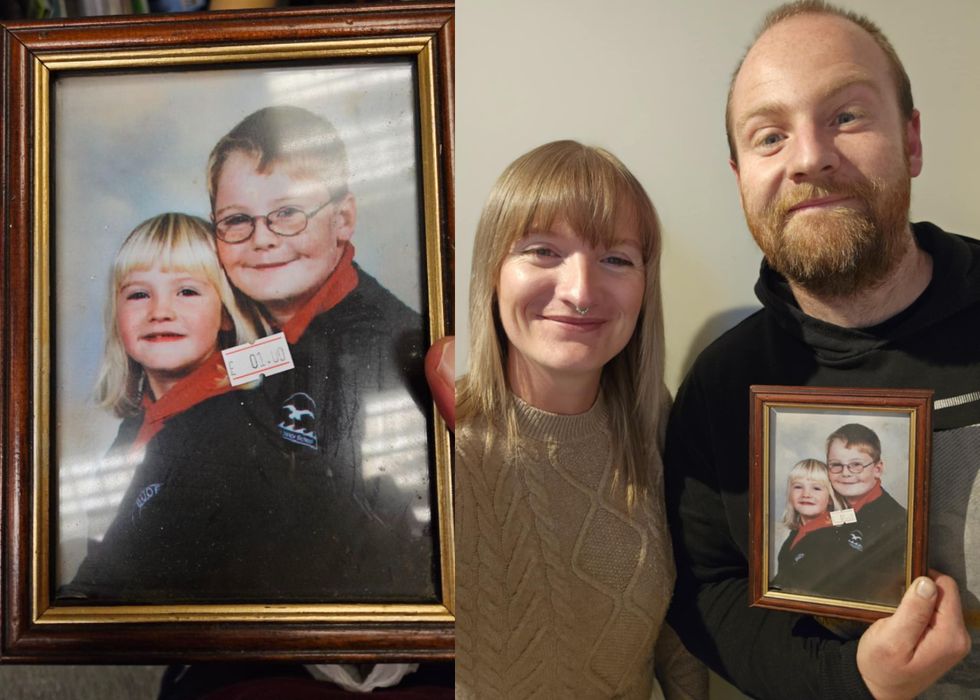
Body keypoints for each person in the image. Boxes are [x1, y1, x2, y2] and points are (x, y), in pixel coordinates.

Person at [663, 2, 973, 698]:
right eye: (770, 136)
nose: (809, 157)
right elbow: (706, 589)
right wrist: (849, 680)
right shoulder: (719, 387)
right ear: (739, 173)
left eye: (846, 116)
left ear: (912, 140)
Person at [456, 140, 706, 699]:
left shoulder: (655, 422)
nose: (580, 292)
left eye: (616, 259)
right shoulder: (447, 445)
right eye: (543, 251)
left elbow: (674, 630)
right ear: (492, 272)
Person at [62, 212, 262, 598]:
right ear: (116, 314)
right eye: (138, 294)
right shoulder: (134, 428)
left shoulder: (240, 422)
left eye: (187, 291)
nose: (160, 311)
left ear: (225, 311)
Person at [771, 458, 844, 595]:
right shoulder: (796, 532)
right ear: (790, 494)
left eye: (816, 488)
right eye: (798, 487)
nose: (806, 494)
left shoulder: (831, 538)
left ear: (830, 498)